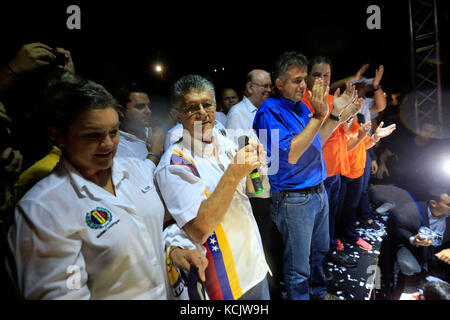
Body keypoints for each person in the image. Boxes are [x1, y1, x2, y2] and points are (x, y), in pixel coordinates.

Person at [6, 72, 207, 300]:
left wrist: (172, 252)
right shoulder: (43, 210)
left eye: (113, 132)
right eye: (93, 135)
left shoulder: (136, 170)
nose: (108, 144)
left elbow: (143, 234)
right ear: (59, 135)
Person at [253, 51, 358, 300]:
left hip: (317, 191)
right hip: (294, 198)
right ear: (279, 84)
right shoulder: (268, 113)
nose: (304, 85)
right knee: (297, 267)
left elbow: (316, 142)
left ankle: (318, 294)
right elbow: (291, 154)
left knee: (320, 252)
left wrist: (333, 116)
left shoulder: (299, 107)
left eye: (304, 79)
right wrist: (320, 115)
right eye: (297, 80)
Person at [155, 74, 271, 300]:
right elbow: (199, 228)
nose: (202, 113)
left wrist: (254, 167)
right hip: (227, 279)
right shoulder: (175, 164)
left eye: (207, 104)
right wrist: (234, 172)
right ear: (176, 115)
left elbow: (250, 190)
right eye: (191, 107)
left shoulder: (225, 141)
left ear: (215, 106)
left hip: (255, 262)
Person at [224, 69, 283, 299]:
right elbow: (242, 154)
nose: (269, 90)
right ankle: (270, 290)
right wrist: (257, 190)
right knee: (265, 243)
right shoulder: (238, 114)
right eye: (264, 86)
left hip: (272, 185)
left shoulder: (266, 109)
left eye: (270, 86)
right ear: (249, 87)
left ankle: (275, 285)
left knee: (273, 240)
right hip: (259, 193)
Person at [302, 56, 359, 269]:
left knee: (331, 218)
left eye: (327, 75)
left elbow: (336, 130)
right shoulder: (304, 101)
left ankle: (329, 252)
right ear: (307, 77)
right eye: (317, 74)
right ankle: (317, 268)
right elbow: (315, 138)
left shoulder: (329, 98)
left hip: (334, 169)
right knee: (318, 225)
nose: (323, 79)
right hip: (319, 171)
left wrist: (346, 117)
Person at [337, 113, 396, 251]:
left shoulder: (357, 124)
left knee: (351, 207)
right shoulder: (337, 126)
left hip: (357, 172)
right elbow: (341, 150)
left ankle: (351, 235)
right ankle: (335, 238)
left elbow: (363, 145)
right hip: (341, 173)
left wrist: (375, 137)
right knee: (337, 210)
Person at [387, 191, 450, 298]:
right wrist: (413, 239)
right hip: (416, 250)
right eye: (448, 205)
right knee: (409, 268)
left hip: (440, 255)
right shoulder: (412, 209)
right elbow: (398, 228)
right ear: (434, 203)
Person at [114, 82, 165, 163]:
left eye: (148, 106)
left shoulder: (154, 133)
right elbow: (141, 175)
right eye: (140, 106)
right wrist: (155, 151)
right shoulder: (119, 146)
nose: (149, 111)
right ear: (121, 110)